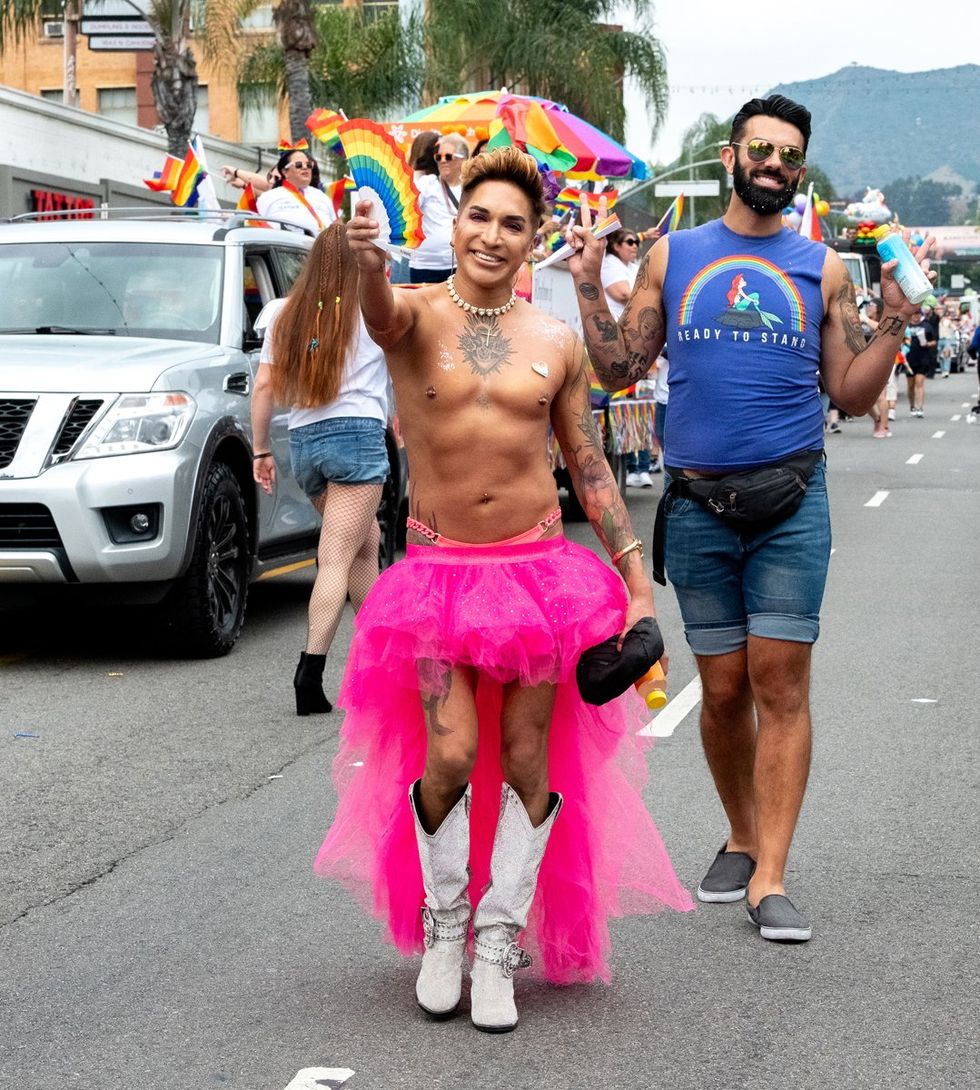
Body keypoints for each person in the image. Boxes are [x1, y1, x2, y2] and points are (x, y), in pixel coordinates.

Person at [315, 147, 692, 1032]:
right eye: (479, 216)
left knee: (526, 760)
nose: (492, 235)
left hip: (536, 581)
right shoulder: (409, 316)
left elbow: (589, 467)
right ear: (456, 221)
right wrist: (369, 257)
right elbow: (374, 306)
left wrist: (637, 585)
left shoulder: (555, 342)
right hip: (439, 581)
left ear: (533, 239)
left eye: (512, 223)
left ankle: (496, 941)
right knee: (449, 756)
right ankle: (444, 927)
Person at [566, 94, 933, 944]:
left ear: (799, 172)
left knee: (781, 685)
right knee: (723, 692)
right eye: (761, 148)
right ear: (731, 157)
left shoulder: (825, 269)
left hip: (792, 505)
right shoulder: (675, 253)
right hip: (697, 508)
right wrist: (587, 281)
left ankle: (771, 873)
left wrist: (896, 326)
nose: (774, 163)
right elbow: (620, 366)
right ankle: (739, 832)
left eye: (789, 154)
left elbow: (847, 391)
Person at [250, 224, 389, 716]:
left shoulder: (283, 313)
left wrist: (261, 450)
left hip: (305, 443)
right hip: (357, 439)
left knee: (363, 544)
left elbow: (264, 387)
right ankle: (310, 671)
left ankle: (381, 667)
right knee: (335, 558)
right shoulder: (373, 310)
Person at [601, 228, 654, 487]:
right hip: (616, 344)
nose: (634, 246)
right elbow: (622, 293)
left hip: (636, 341)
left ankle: (640, 466)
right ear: (615, 245)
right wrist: (649, 295)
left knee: (638, 405)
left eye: (637, 241)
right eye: (629, 242)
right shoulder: (610, 264)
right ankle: (630, 465)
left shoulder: (631, 265)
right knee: (618, 405)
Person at [408, 132, 468, 283]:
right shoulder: (427, 183)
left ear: (463, 159)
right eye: (438, 157)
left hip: (459, 265)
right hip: (424, 266)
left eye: (448, 156)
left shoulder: (471, 188)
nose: (442, 161)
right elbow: (407, 206)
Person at [255, 148, 335, 235]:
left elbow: (338, 227)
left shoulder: (322, 196)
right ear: (285, 171)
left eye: (308, 165)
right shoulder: (269, 197)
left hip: (323, 247)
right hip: (285, 246)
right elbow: (255, 226)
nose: (305, 168)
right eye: (298, 165)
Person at [905, 310, 936, 417]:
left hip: (923, 358)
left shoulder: (926, 326)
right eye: (913, 314)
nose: (915, 317)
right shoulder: (906, 326)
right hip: (908, 359)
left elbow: (934, 341)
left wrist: (927, 343)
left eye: (917, 315)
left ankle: (920, 407)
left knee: (919, 383)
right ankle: (912, 406)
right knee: (910, 385)